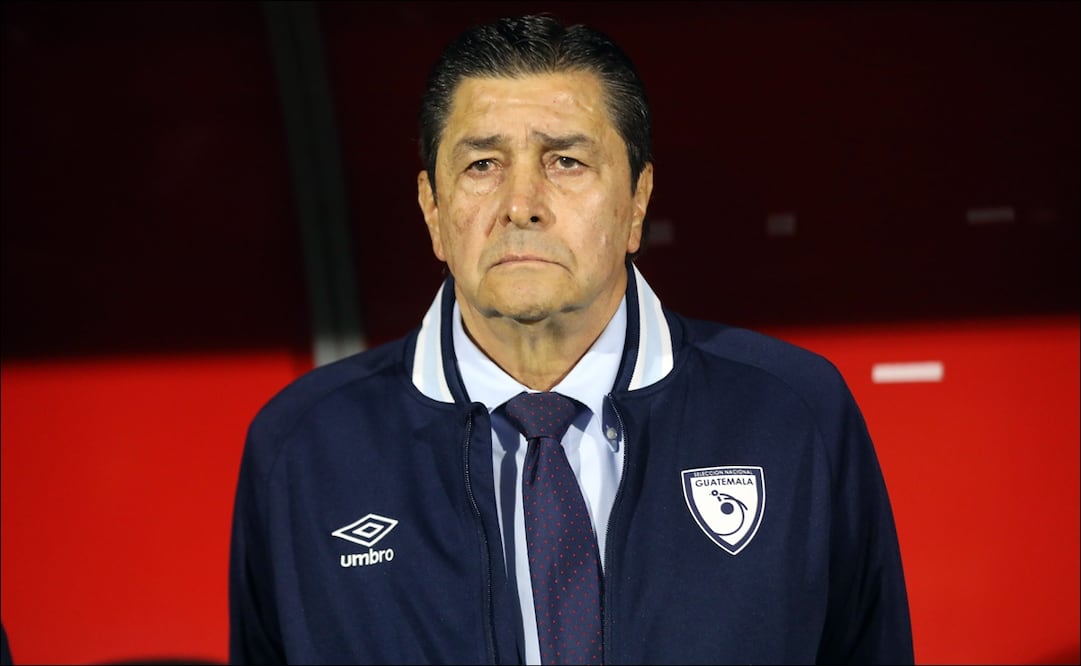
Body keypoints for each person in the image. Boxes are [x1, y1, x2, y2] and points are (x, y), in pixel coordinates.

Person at [228, 14, 914, 665]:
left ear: (637, 200)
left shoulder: (791, 412)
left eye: (564, 161)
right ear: (432, 210)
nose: (520, 201)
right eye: (481, 165)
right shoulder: (303, 449)